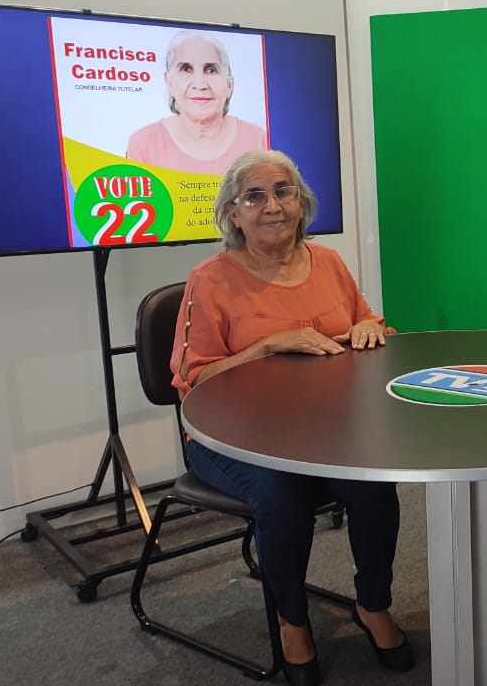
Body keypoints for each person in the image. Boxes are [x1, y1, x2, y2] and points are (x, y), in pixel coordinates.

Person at [170, 149, 413, 685]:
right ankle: (292, 622)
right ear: (233, 214)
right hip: (231, 440)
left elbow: (372, 325)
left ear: (301, 204)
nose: (273, 206)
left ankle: (372, 604)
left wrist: (371, 328)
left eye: (284, 191)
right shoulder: (209, 280)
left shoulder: (328, 262)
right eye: (254, 196)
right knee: (282, 494)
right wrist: (267, 346)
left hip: (323, 430)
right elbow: (194, 379)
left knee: (374, 485)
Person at [127, 30, 268, 175]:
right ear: (169, 82)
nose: (200, 84)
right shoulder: (143, 144)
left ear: (229, 84)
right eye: (186, 69)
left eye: (211, 70)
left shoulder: (258, 139)